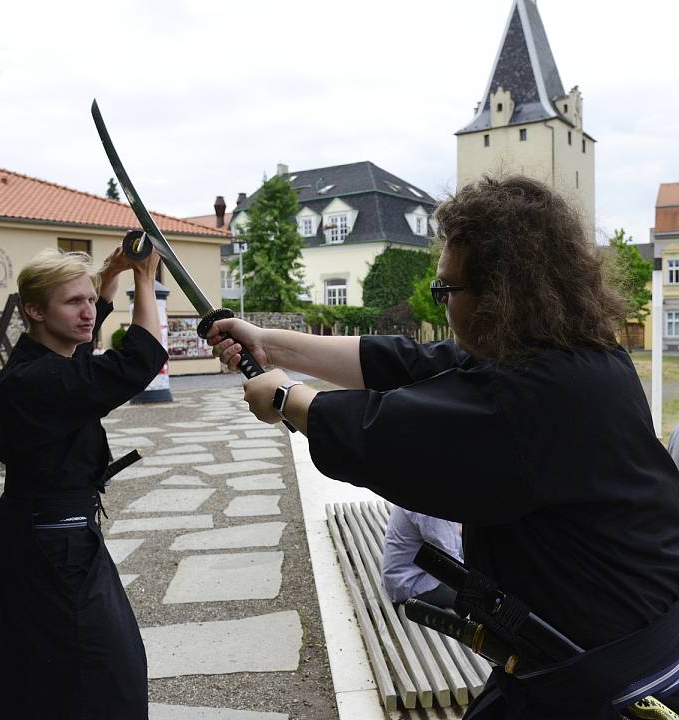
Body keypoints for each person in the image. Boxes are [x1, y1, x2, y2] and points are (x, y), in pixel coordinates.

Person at [206, 176, 679, 719]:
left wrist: (289, 397)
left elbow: (392, 434)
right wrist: (270, 343)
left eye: (447, 290)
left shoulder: (528, 399)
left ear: (499, 295)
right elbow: (413, 363)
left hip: (602, 683)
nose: (444, 304)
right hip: (609, 650)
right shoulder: (581, 358)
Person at [0, 246, 167, 719]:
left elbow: (86, 342)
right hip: (51, 544)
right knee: (100, 670)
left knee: (49, 669)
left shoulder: (47, 362)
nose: (88, 312)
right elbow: (140, 362)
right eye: (72, 302)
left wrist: (112, 274)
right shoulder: (37, 380)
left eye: (90, 300)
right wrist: (145, 278)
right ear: (35, 311)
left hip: (50, 535)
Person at [381, 506, 461, 608]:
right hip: (411, 585)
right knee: (480, 599)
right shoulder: (433, 507)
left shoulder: (418, 493)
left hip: (399, 575)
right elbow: (452, 564)